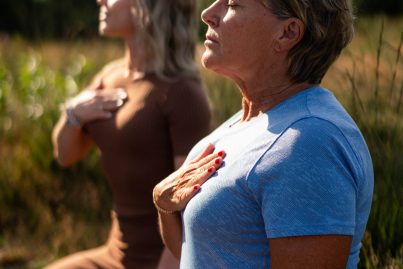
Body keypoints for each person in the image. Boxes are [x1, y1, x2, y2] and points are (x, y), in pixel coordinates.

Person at [152, 0, 374, 268]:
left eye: (232, 4)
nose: (208, 14)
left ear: (288, 33)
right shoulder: (248, 123)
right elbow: (206, 253)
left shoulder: (311, 141)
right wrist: (164, 206)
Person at [47, 0, 210, 268]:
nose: (100, 1)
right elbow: (65, 156)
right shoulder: (109, 76)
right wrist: (72, 115)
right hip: (113, 253)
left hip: (160, 260)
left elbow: (188, 208)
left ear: (148, 7)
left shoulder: (183, 94)